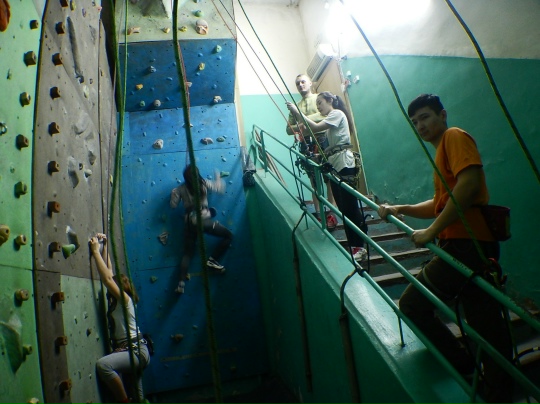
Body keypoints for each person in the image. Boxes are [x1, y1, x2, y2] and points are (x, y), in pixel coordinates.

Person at [378, 94, 512, 403]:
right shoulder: (442, 152)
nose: (420, 125)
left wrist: (432, 232)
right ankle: (497, 392)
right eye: (414, 122)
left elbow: (469, 186)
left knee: (412, 304)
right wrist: (401, 208)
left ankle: (464, 366)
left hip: (466, 246)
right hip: (470, 246)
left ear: (443, 115)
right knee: (486, 325)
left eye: (425, 117)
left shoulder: (454, 137)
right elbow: (441, 203)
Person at [287, 91, 367, 261]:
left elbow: (315, 128)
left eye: (320, 103)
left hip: (344, 164)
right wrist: (318, 157)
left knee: (350, 207)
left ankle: (359, 246)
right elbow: (331, 148)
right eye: (317, 104)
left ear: (330, 100)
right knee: (344, 209)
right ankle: (354, 246)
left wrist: (296, 112)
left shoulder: (336, 114)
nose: (318, 107)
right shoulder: (331, 123)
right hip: (336, 165)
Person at [89, 233, 150, 404]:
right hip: (134, 350)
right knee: (138, 399)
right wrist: (105, 245)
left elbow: (108, 279)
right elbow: (110, 273)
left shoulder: (125, 300)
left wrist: (95, 251)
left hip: (135, 352)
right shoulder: (125, 302)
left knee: (104, 366)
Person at [170, 164, 233, 293]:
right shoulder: (203, 183)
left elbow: (173, 205)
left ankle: (181, 284)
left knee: (187, 254)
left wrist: (173, 193)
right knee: (228, 236)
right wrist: (217, 177)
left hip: (189, 222)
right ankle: (212, 260)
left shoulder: (180, 189)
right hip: (202, 219)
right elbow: (220, 188)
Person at [286, 74, 338, 231]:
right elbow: (288, 129)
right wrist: (301, 125)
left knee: (328, 178)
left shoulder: (319, 99)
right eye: (298, 83)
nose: (300, 85)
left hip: (323, 139)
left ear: (310, 83)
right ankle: (318, 213)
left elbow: (326, 114)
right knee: (313, 180)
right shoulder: (295, 106)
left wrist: (302, 119)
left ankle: (331, 213)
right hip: (306, 143)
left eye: (303, 82)